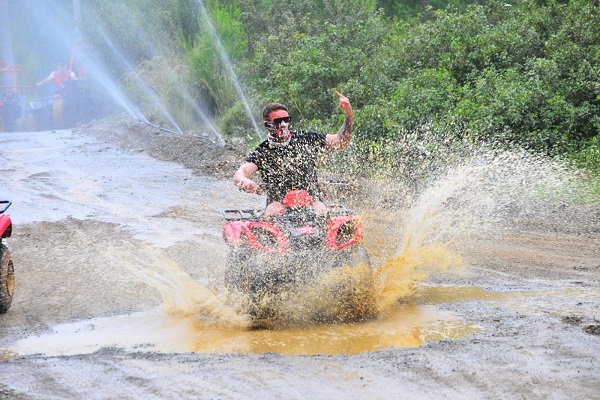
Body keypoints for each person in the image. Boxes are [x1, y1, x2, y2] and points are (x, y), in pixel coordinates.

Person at [233, 91, 353, 215]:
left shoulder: (306, 138)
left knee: (320, 211)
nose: (283, 124)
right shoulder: (263, 150)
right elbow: (240, 173)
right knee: (273, 211)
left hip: (311, 199)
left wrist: (348, 114)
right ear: (267, 125)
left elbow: (341, 142)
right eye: (278, 121)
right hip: (278, 202)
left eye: (286, 120)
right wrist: (245, 181)